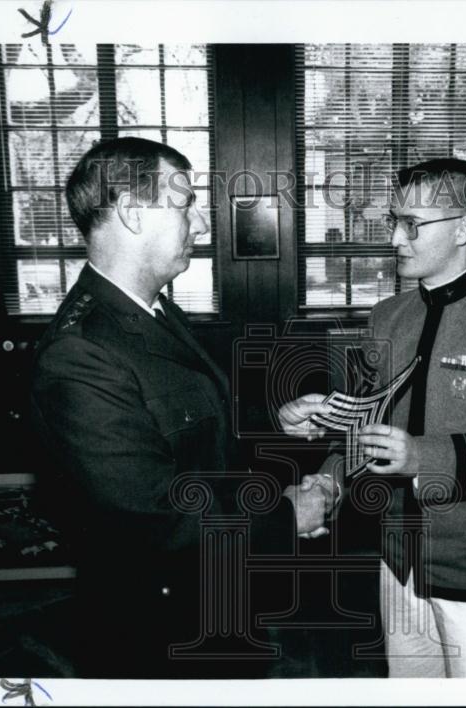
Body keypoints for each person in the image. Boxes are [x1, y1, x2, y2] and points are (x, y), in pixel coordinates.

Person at [30, 137, 330, 679]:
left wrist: (274, 421)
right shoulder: (80, 353)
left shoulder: (151, 312)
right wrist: (286, 516)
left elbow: (189, 426)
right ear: (131, 211)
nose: (201, 225)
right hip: (157, 628)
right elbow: (152, 514)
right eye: (186, 202)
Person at [279, 158, 466, 678]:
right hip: (397, 561)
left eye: (412, 224)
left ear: (463, 229)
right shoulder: (388, 315)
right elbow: (365, 426)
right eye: (394, 220)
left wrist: (421, 456)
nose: (394, 238)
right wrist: (326, 475)